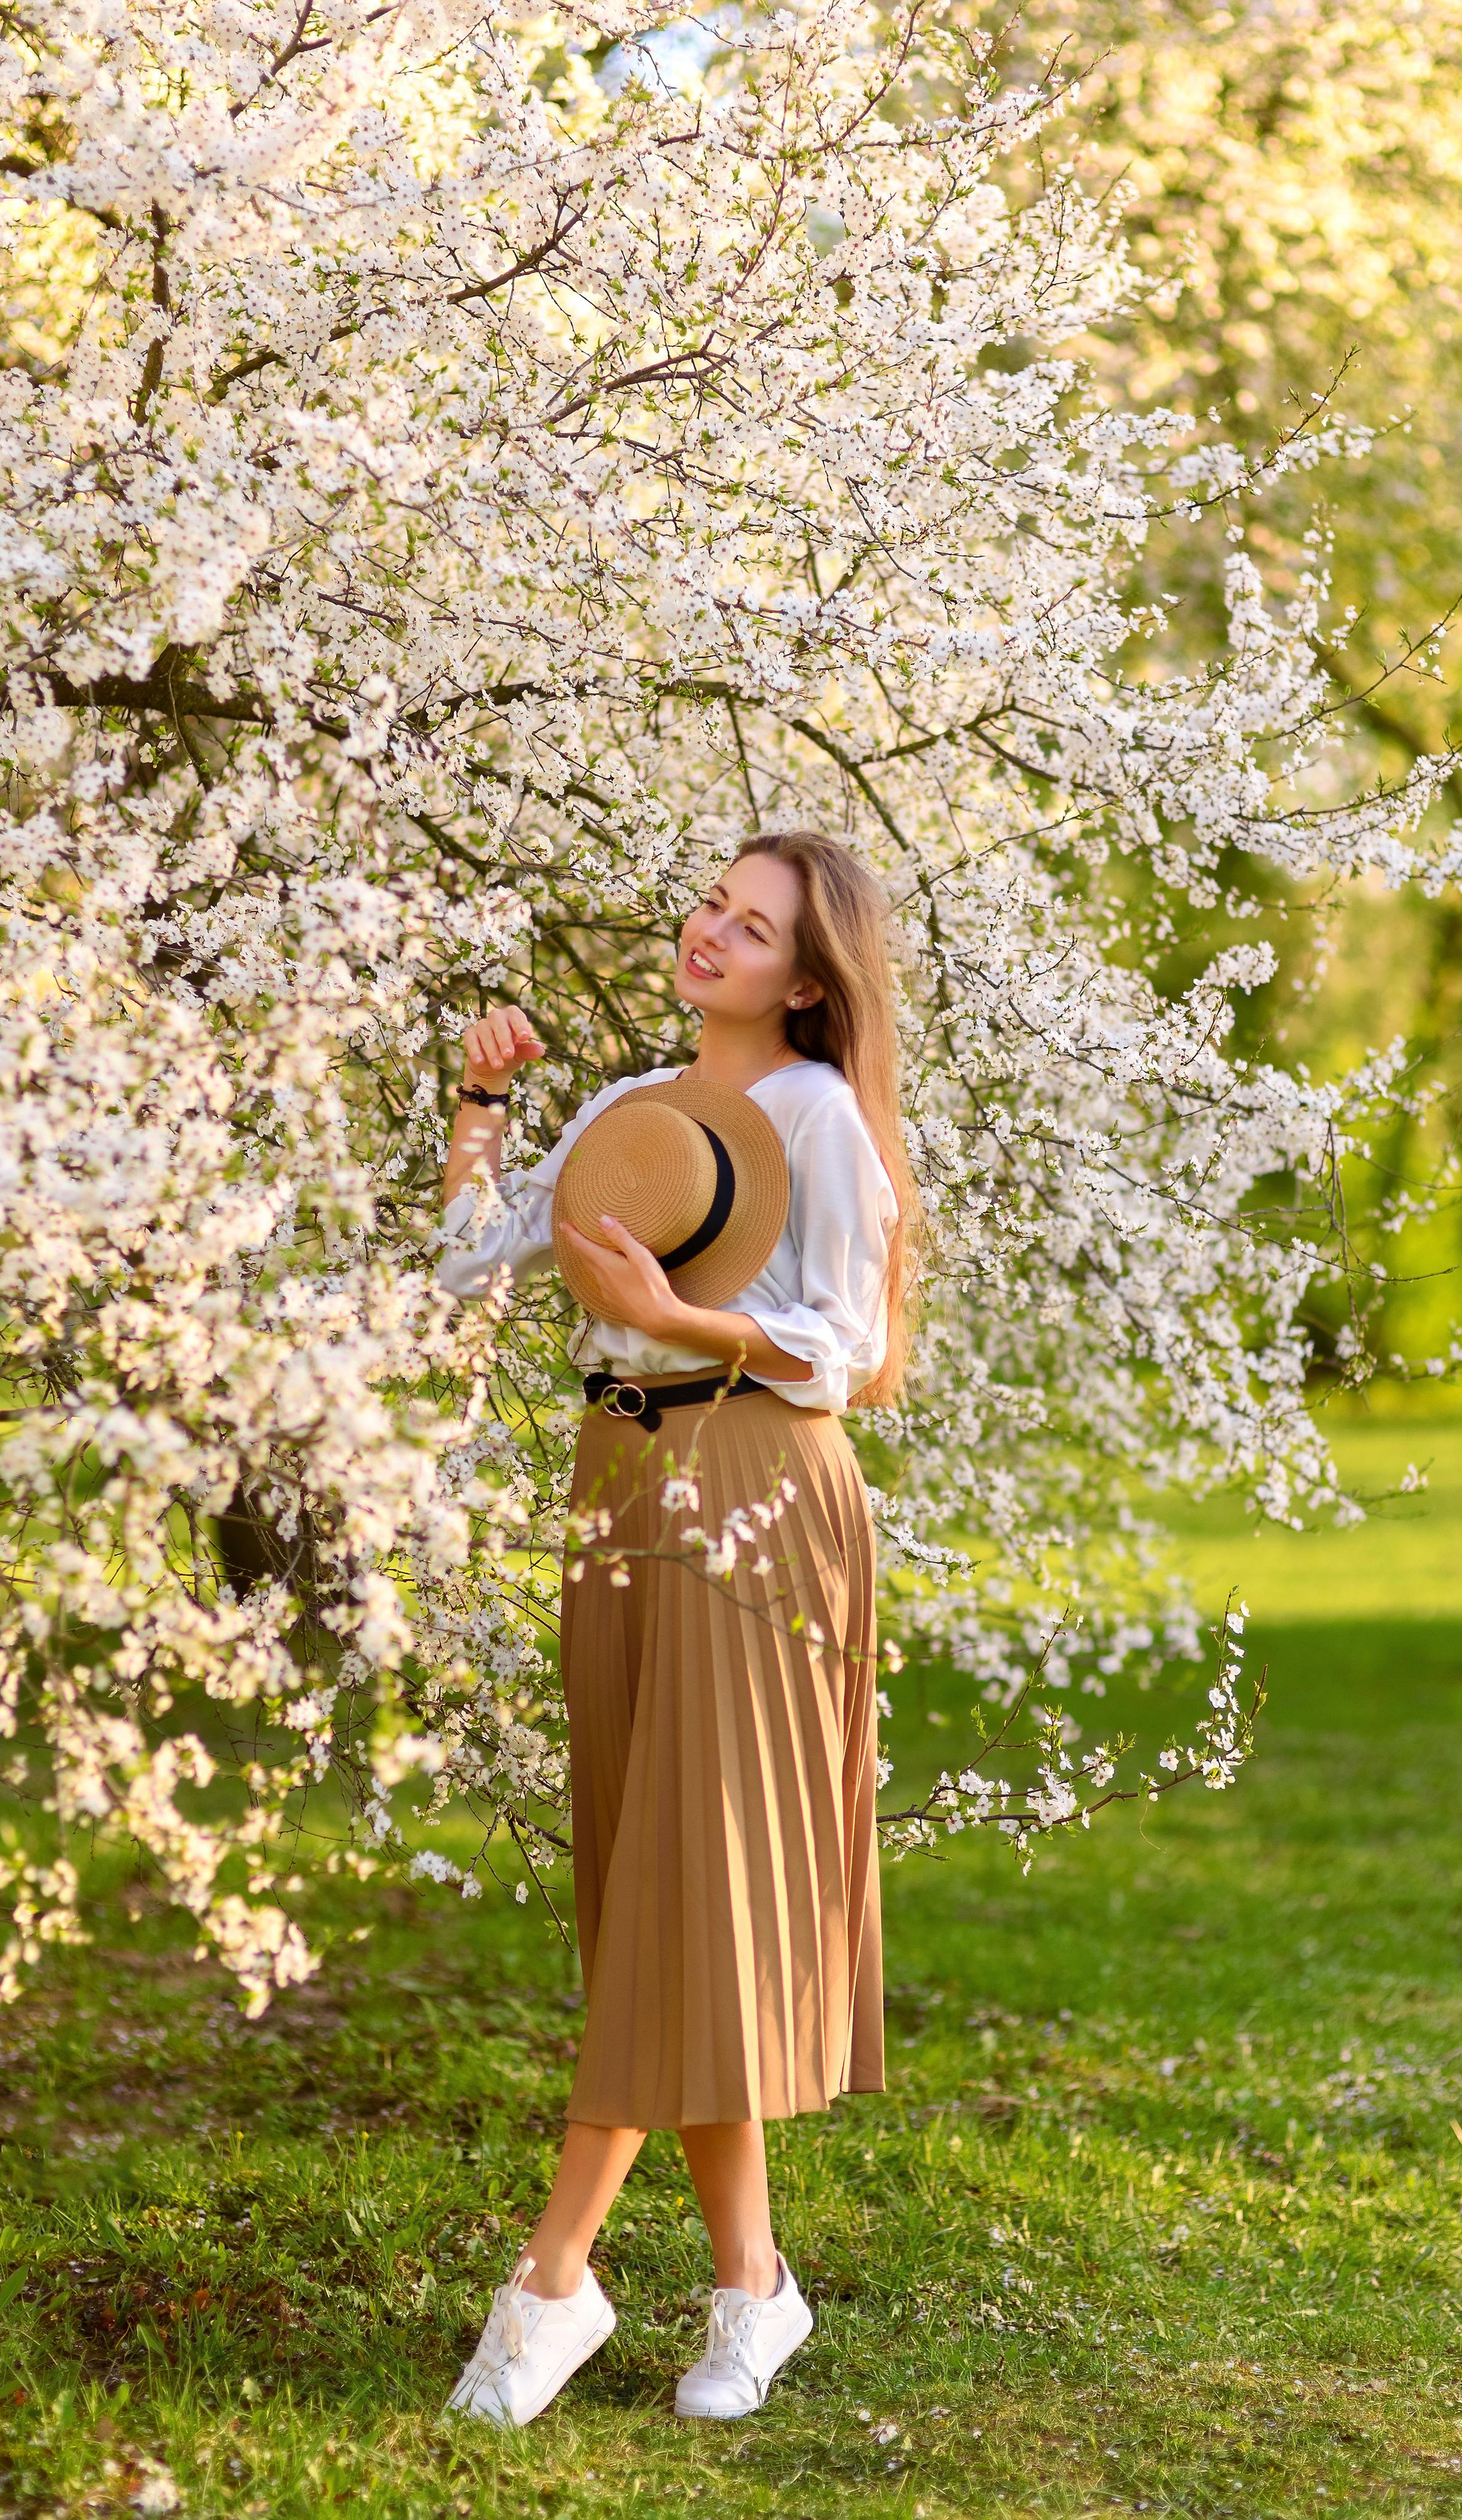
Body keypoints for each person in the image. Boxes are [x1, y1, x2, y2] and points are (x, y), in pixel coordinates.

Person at [432, 831, 919, 2428]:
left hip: (758, 1485)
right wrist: (479, 1105)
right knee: (658, 1879)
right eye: (715, 902)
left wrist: (677, 1317)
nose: (713, 931)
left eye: (754, 926)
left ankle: (551, 2285)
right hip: (620, 1477)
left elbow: (841, 1351)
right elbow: (471, 1262)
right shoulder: (631, 1107)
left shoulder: (820, 1117)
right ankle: (753, 2287)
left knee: (677, 1877)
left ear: (808, 980)